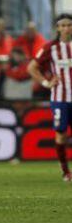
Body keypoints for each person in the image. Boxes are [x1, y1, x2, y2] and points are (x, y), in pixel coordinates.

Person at [27, 14, 72, 181]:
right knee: (61, 135)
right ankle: (66, 172)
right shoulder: (50, 48)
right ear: (58, 28)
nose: (66, 28)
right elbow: (32, 68)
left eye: (69, 25)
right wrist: (46, 83)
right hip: (60, 98)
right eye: (63, 25)